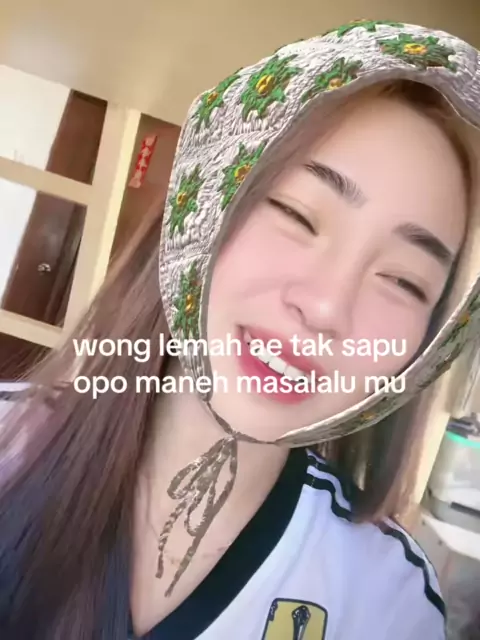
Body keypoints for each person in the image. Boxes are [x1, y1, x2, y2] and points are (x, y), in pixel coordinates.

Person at [1, 18, 480, 640]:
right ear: (196, 214)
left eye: (404, 281)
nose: (327, 307)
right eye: (296, 214)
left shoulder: (388, 601)